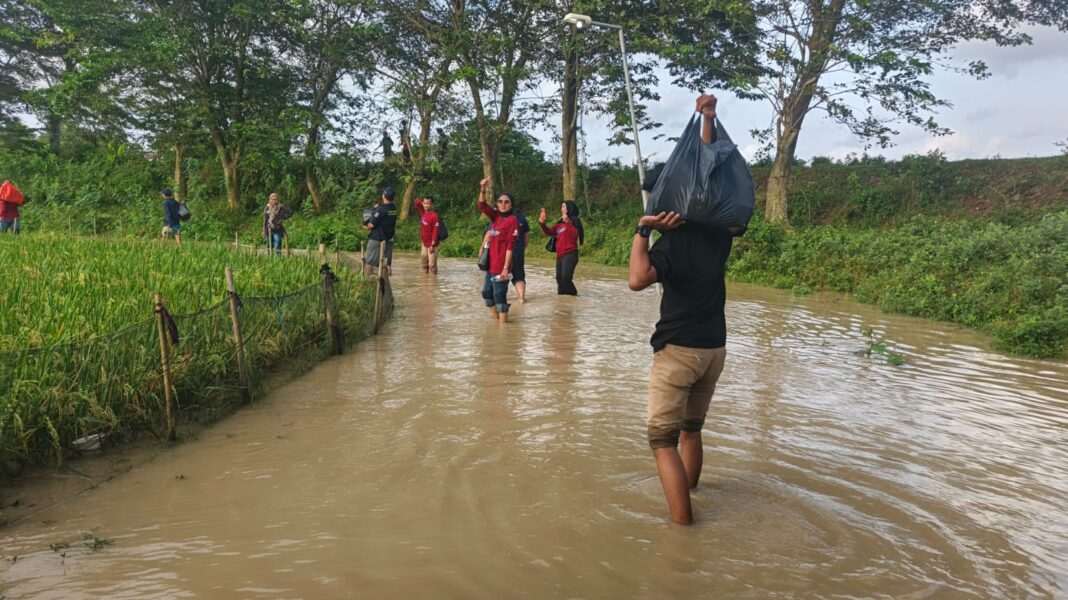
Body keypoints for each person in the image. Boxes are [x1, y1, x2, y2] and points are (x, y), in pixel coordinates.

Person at [627, 94, 734, 525]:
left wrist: (642, 231)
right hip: (715, 349)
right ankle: (689, 494)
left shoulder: (669, 245)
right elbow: (707, 171)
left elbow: (637, 280)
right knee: (692, 429)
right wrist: (708, 119)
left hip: (678, 353)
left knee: (662, 441)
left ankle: (683, 531)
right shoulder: (718, 234)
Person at [476, 178, 519, 323]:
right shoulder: (496, 217)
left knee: (499, 295)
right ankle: (496, 321)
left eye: (506, 202)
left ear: (511, 204)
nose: (502, 204)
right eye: (500, 201)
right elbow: (482, 206)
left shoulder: (512, 221)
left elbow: (510, 246)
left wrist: (506, 268)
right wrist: (483, 188)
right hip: (491, 265)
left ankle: (503, 329)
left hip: (502, 267)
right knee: (487, 293)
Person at [538, 200, 584, 295]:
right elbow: (549, 232)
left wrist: (567, 221)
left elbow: (574, 235)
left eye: (563, 207)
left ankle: (574, 296)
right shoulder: (559, 224)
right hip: (560, 255)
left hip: (570, 254)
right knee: (559, 279)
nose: (561, 209)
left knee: (566, 277)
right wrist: (542, 223)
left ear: (569, 208)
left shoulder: (574, 221)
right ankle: (563, 301)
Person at [364, 186, 398, 276]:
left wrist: (366, 227)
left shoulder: (380, 209)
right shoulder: (394, 209)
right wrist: (377, 209)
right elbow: (384, 215)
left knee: (369, 262)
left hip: (377, 239)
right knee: (387, 264)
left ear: (384, 196)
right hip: (389, 240)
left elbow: (371, 225)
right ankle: (387, 285)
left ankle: (366, 282)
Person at [413, 195, 441, 274]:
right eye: (425, 203)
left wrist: (432, 244)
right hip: (424, 244)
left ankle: (433, 282)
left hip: (433, 244)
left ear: (432, 205)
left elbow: (435, 231)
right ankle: (425, 282)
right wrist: (421, 202)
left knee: (432, 265)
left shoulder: (434, 216)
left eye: (428, 204)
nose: (426, 205)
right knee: (424, 264)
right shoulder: (422, 212)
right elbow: (416, 202)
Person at [511, 205, 531, 303]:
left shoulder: (499, 216)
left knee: (498, 275)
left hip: (502, 252)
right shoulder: (521, 217)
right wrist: (523, 248)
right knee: (519, 276)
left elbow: (490, 233)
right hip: (518, 251)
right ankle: (521, 298)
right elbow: (527, 235)